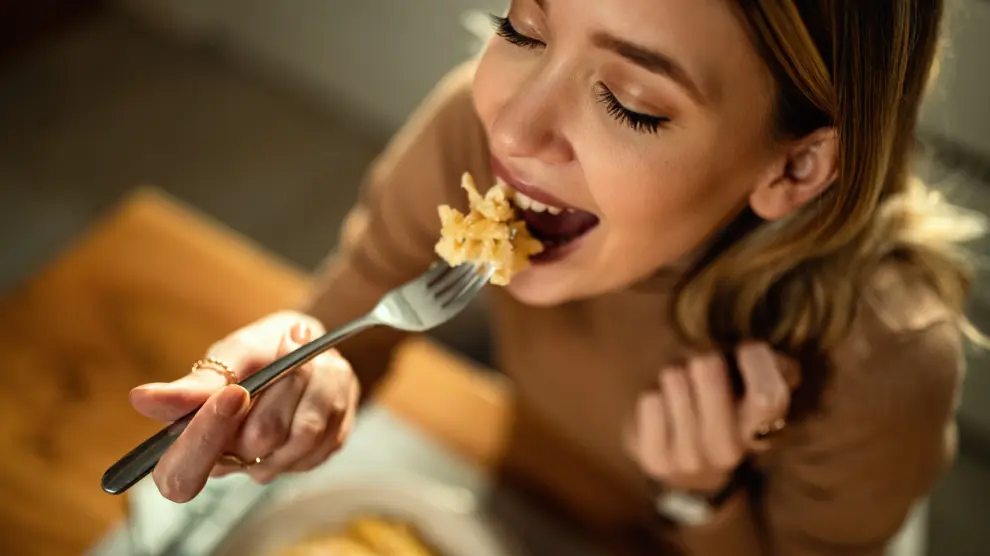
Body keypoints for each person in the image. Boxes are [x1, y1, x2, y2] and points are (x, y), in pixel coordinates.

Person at [129, 0, 986, 554]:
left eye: (631, 103)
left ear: (797, 168)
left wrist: (705, 502)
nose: (515, 130)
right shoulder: (472, 134)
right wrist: (296, 373)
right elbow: (356, 319)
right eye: (523, 27)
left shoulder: (886, 353)